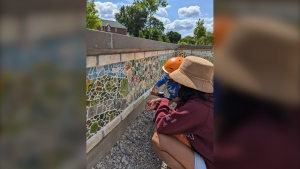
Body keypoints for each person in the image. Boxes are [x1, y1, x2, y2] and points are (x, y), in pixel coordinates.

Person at [146, 56, 214, 169]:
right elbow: (181, 119)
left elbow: (162, 125)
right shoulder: (206, 99)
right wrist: (163, 105)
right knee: (175, 132)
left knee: (158, 138)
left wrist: (163, 102)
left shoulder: (196, 107)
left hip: (211, 163)